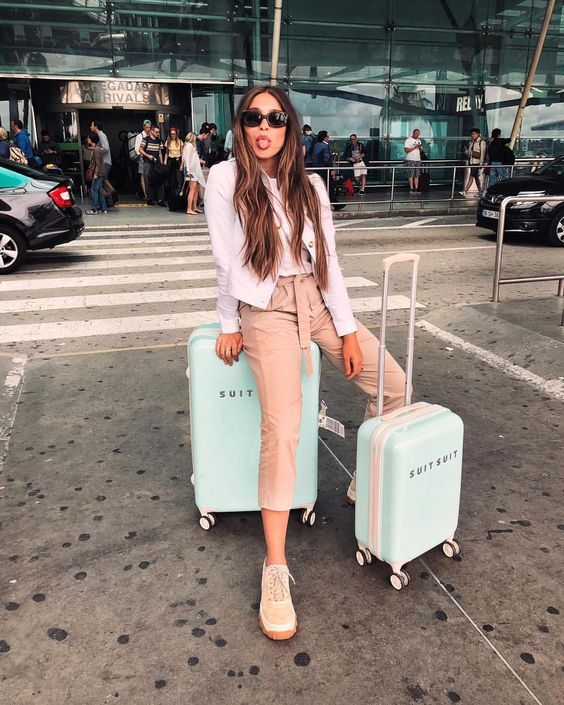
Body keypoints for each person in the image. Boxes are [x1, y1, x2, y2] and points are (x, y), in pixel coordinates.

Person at [205, 86, 405, 642]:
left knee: (392, 382)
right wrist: (229, 324)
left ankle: (364, 478)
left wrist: (344, 329)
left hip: (314, 302)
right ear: (241, 126)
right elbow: (224, 257)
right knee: (284, 429)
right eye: (252, 118)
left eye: (274, 118)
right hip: (264, 309)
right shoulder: (225, 178)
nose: (263, 127)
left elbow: (330, 262)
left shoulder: (310, 185)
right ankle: (275, 567)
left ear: (289, 125)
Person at [139, 124, 166, 206]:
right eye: (157, 132)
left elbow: (160, 152)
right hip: (148, 163)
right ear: (152, 131)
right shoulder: (145, 139)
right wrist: (148, 156)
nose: (158, 133)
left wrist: (161, 164)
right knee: (148, 181)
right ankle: (149, 198)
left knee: (160, 181)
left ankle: (161, 199)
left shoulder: (159, 141)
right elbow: (140, 150)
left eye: (159, 132)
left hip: (157, 164)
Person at [90, 121, 113, 208]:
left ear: (96, 126)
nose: (90, 127)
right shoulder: (100, 135)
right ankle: (107, 203)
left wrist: (96, 149)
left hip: (105, 162)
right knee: (102, 183)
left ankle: (108, 201)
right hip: (104, 163)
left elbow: (105, 148)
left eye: (91, 126)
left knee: (101, 183)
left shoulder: (101, 135)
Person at [182, 132, 206, 215]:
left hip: (193, 170)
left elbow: (191, 158)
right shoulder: (189, 146)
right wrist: (188, 170)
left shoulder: (187, 145)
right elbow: (188, 158)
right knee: (192, 190)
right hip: (192, 171)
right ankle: (189, 208)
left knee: (195, 189)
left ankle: (194, 207)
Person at [85, 132, 107, 215]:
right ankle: (103, 208)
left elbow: (98, 163)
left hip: (97, 174)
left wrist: (96, 174)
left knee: (94, 190)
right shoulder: (96, 149)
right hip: (100, 173)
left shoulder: (96, 150)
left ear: (91, 139)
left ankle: (95, 209)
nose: (87, 139)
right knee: (99, 191)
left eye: (88, 138)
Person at [463, 127, 487, 196]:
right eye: (471, 134)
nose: (472, 135)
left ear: (477, 134)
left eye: (473, 134)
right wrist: (466, 151)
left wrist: (481, 164)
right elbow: (470, 153)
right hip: (472, 162)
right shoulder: (472, 142)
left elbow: (482, 154)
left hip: (477, 163)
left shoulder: (482, 142)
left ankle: (465, 191)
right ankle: (480, 191)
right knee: (476, 178)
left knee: (471, 177)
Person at [135, 119, 152, 199]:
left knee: (149, 176)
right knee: (143, 176)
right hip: (143, 158)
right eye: (147, 127)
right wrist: (141, 156)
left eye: (149, 127)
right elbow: (137, 148)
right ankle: (146, 194)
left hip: (150, 158)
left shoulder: (151, 135)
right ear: (144, 127)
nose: (148, 129)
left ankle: (150, 193)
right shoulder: (140, 136)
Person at [164, 126, 183, 197]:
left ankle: (178, 193)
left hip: (178, 160)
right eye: (171, 134)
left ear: (176, 134)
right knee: (170, 178)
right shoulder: (167, 142)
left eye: (174, 134)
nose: (173, 136)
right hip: (170, 160)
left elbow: (182, 154)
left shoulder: (180, 142)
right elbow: (166, 153)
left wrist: (182, 164)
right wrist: (165, 162)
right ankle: (171, 193)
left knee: (178, 178)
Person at [403, 128, 422, 193]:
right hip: (410, 159)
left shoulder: (419, 140)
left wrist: (419, 147)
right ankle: (411, 188)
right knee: (411, 175)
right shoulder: (408, 140)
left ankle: (416, 188)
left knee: (417, 175)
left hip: (418, 159)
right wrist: (415, 147)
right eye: (416, 134)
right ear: (413, 133)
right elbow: (406, 150)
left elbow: (421, 151)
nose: (417, 135)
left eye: (418, 134)